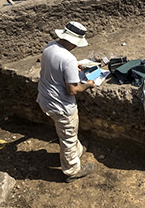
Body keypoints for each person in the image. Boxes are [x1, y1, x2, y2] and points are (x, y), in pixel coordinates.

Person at [37, 21, 96, 182]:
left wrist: (71, 68)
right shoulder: (68, 59)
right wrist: (88, 85)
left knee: (65, 131)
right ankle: (72, 170)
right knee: (68, 137)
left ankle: (77, 151)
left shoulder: (50, 46)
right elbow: (73, 90)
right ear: (72, 41)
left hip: (45, 98)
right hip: (61, 105)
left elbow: (54, 67)